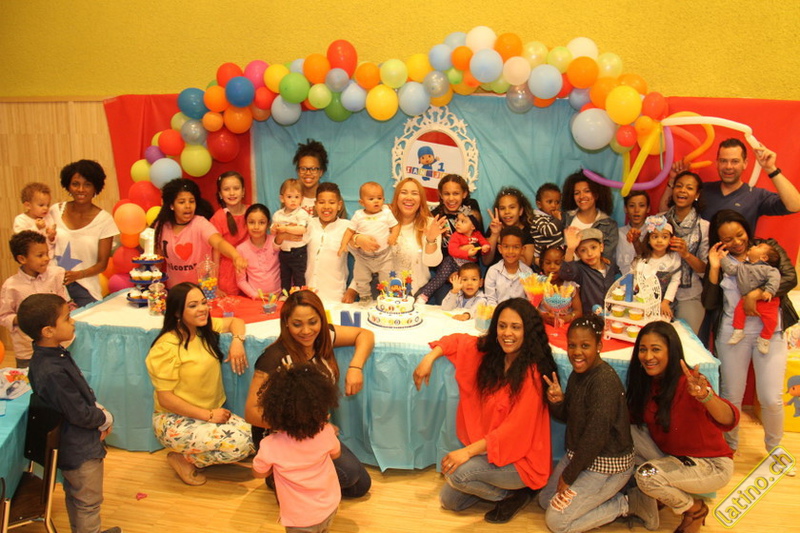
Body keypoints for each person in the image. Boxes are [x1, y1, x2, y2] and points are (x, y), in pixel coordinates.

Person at [413, 298, 556, 524]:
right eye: (502, 326)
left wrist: (467, 452)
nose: (507, 333)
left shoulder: (533, 373)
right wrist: (429, 357)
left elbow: (512, 431)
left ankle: (516, 493)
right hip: (490, 452)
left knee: (457, 474)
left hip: (521, 460)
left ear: (528, 331)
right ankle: (504, 493)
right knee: (449, 501)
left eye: (516, 327)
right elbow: (458, 341)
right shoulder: (492, 355)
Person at [245, 290, 374, 498]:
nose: (306, 331)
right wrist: (311, 425)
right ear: (286, 324)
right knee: (349, 475)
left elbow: (364, 335)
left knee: (360, 486)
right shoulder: (274, 358)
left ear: (321, 319)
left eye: (313, 322)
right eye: (297, 324)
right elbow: (251, 413)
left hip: (313, 431)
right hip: (283, 436)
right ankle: (282, 477)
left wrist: (355, 368)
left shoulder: (323, 338)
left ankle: (297, 481)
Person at [20, 293, 120, 533]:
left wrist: (95, 408)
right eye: (66, 318)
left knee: (78, 496)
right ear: (48, 331)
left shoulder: (53, 355)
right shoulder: (51, 370)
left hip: (76, 441)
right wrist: (104, 418)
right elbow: (78, 414)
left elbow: (74, 398)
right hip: (78, 448)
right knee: (88, 501)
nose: (72, 321)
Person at [626, 321, 740, 532]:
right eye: (643, 349)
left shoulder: (690, 383)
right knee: (624, 434)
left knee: (646, 477)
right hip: (674, 457)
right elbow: (630, 419)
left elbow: (729, 419)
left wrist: (705, 397)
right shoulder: (646, 382)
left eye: (656, 349)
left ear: (671, 351)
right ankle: (660, 496)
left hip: (710, 465)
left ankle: (694, 509)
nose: (648, 356)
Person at [703, 209, 797, 453]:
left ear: (747, 229)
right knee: (731, 396)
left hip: (770, 331)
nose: (736, 242)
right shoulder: (720, 259)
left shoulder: (767, 248)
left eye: (740, 234)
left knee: (771, 398)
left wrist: (754, 295)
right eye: (728, 239)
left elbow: (790, 278)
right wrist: (714, 267)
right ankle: (729, 447)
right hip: (732, 335)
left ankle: (775, 450)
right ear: (719, 240)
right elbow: (709, 303)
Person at [145, 282, 253, 486]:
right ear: (177, 312)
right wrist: (209, 415)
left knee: (254, 438)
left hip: (207, 414)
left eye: (203, 303)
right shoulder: (166, 346)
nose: (202, 309)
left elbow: (235, 322)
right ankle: (184, 459)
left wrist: (237, 341)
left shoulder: (202, 329)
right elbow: (165, 398)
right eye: (193, 305)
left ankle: (193, 453)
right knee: (239, 445)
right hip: (175, 419)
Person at [539, 315, 634, 533]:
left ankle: (626, 504)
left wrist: (569, 476)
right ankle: (598, 497)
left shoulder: (603, 382)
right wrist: (557, 402)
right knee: (545, 501)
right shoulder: (578, 374)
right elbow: (569, 416)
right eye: (572, 345)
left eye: (585, 346)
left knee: (557, 522)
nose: (576, 352)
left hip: (606, 463)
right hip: (581, 455)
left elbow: (595, 437)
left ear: (599, 346)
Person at [253, 364, 341, 533]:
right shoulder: (326, 431)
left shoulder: (270, 445)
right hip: (329, 505)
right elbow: (336, 454)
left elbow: (259, 473)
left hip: (299, 518)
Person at [341, 178, 444, 303]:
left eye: (414, 193)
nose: (409, 197)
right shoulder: (381, 216)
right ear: (396, 197)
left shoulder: (429, 224)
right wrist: (357, 238)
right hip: (380, 291)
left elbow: (432, 262)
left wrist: (431, 240)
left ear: (421, 199)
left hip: (412, 293)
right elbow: (363, 258)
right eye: (404, 192)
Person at [662, 139, 800, 231]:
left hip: (737, 265)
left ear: (745, 163)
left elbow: (795, 205)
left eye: (735, 161)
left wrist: (771, 169)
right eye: (723, 161)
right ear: (717, 163)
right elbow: (664, 212)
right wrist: (673, 181)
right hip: (700, 263)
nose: (728, 167)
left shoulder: (757, 195)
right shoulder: (702, 189)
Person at [152, 178, 247, 289]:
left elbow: (218, 242)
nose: (188, 206)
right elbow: (157, 261)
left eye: (191, 201)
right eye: (182, 202)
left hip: (201, 291)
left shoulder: (201, 224)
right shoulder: (161, 226)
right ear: (172, 205)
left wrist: (235, 256)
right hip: (175, 292)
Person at [50, 159, 119, 307]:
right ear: (68, 186)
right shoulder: (55, 211)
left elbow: (102, 264)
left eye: (87, 184)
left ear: (96, 188)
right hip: (52, 286)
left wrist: (78, 275)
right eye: (75, 184)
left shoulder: (105, 221)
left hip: (86, 289)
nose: (81, 189)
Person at [0, 231, 68, 368]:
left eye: (47, 253)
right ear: (22, 259)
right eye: (40, 255)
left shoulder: (55, 275)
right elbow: (3, 316)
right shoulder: (12, 286)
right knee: (30, 381)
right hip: (28, 351)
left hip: (59, 347)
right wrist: (25, 318)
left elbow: (63, 304)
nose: (46, 259)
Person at [659, 171, 709, 333]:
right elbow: (645, 256)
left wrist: (686, 254)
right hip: (658, 294)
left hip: (689, 295)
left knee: (686, 343)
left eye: (689, 188)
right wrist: (636, 241)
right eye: (679, 186)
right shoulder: (659, 221)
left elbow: (705, 269)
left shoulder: (703, 227)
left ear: (697, 195)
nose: (682, 191)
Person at [339, 181, 400, 301]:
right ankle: (364, 296)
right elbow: (350, 231)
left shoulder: (386, 213)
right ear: (362, 202)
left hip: (384, 256)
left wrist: (393, 236)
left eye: (379, 198)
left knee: (387, 278)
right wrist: (343, 244)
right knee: (361, 277)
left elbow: (396, 226)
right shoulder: (358, 215)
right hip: (363, 257)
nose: (376, 201)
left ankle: (388, 297)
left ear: (383, 199)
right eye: (371, 199)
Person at [416, 206, 489, 303]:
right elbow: (452, 251)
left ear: (473, 226)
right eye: (457, 220)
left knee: (466, 283)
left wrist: (485, 248)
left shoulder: (477, 235)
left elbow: (484, 243)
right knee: (440, 278)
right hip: (451, 262)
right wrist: (467, 253)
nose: (457, 223)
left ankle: (468, 303)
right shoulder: (456, 235)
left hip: (467, 266)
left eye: (463, 221)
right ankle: (424, 295)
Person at [721, 241, 781, 354]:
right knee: (739, 312)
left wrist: (769, 291)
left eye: (758, 246)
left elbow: (775, 279)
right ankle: (738, 330)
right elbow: (729, 269)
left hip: (766, 301)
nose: (753, 246)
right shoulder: (741, 266)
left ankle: (765, 338)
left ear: (764, 257)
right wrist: (723, 258)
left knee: (772, 320)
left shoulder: (769, 269)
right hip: (745, 298)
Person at [631, 215, 682, 320]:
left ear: (671, 239)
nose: (659, 241)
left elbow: (675, 281)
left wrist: (665, 302)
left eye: (664, 237)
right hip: (643, 303)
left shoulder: (674, 258)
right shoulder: (642, 259)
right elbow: (633, 277)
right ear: (648, 240)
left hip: (664, 304)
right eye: (655, 237)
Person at [306, 182, 349, 302]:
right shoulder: (308, 224)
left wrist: (352, 289)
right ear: (315, 204)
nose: (326, 207)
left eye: (331, 202)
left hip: (335, 297)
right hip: (308, 296)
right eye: (321, 202)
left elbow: (363, 262)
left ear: (339, 205)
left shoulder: (347, 228)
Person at [561, 227, 620, 313]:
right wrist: (570, 250)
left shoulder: (610, 265)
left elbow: (619, 276)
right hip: (590, 316)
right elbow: (566, 274)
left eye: (593, 247)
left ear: (601, 247)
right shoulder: (579, 269)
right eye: (583, 250)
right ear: (577, 254)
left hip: (613, 314)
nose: (589, 253)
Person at [562, 172, 618, 261]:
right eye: (577, 193)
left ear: (596, 194)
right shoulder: (564, 218)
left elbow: (605, 261)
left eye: (587, 191)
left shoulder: (609, 225)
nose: (581, 196)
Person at [210, 171, 249, 296]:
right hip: (228, 275)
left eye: (236, 188)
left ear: (243, 191)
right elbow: (215, 254)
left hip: (252, 270)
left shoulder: (252, 212)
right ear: (220, 194)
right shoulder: (217, 218)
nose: (232, 193)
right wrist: (215, 285)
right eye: (226, 189)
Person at [272, 178, 311, 292]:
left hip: (298, 252)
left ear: (302, 199)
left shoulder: (302, 214)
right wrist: (274, 228)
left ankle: (300, 295)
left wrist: (285, 228)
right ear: (282, 198)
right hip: (283, 252)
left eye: (297, 197)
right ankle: (285, 294)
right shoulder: (278, 215)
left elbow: (302, 229)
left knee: (299, 275)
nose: (293, 200)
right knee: (285, 275)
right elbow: (273, 232)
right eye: (289, 197)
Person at [483, 187, 536, 267]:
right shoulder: (493, 228)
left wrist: (505, 243)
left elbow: (526, 263)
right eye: (502, 208)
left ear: (520, 211)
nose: (507, 212)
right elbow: (486, 261)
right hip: (496, 274)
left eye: (512, 207)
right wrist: (495, 235)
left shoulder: (528, 231)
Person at [236, 204, 280, 298]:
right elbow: (241, 281)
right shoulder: (241, 249)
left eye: (261, 222)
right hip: (257, 299)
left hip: (280, 296)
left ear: (268, 224)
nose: (256, 227)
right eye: (251, 222)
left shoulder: (276, 242)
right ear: (245, 224)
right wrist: (255, 295)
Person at [484, 226, 534, 306]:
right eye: (506, 247)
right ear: (500, 249)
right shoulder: (493, 271)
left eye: (516, 247)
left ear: (522, 250)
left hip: (520, 312)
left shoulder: (528, 273)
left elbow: (530, 299)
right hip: (497, 312)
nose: (510, 251)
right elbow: (490, 299)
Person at [538, 245, 582, 326]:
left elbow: (578, 311)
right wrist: (542, 316)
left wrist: (566, 318)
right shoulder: (538, 284)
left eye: (558, 263)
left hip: (565, 325)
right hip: (543, 325)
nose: (552, 267)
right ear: (542, 265)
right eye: (548, 263)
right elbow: (532, 308)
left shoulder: (570, 286)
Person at [14, 182, 56, 256]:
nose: (46, 208)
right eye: (41, 205)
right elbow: (22, 242)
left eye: (48, 205)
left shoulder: (48, 217)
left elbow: (52, 243)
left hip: (49, 256)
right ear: (28, 205)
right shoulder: (21, 220)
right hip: (32, 258)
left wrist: (51, 237)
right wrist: (36, 228)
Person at [616, 190, 649, 278]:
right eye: (631, 206)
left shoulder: (652, 233)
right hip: (622, 282)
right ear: (625, 208)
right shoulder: (618, 234)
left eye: (641, 205)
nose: (636, 210)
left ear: (648, 208)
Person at [293, 139, 329, 215]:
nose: (308, 173)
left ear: (321, 172)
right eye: (303, 169)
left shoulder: (332, 196)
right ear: (298, 171)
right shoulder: (290, 196)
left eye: (313, 169)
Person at [531, 182, 564, 262]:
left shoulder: (554, 217)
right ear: (539, 204)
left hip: (557, 255)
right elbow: (547, 231)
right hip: (543, 258)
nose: (554, 205)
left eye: (557, 202)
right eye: (549, 202)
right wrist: (557, 220)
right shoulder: (538, 218)